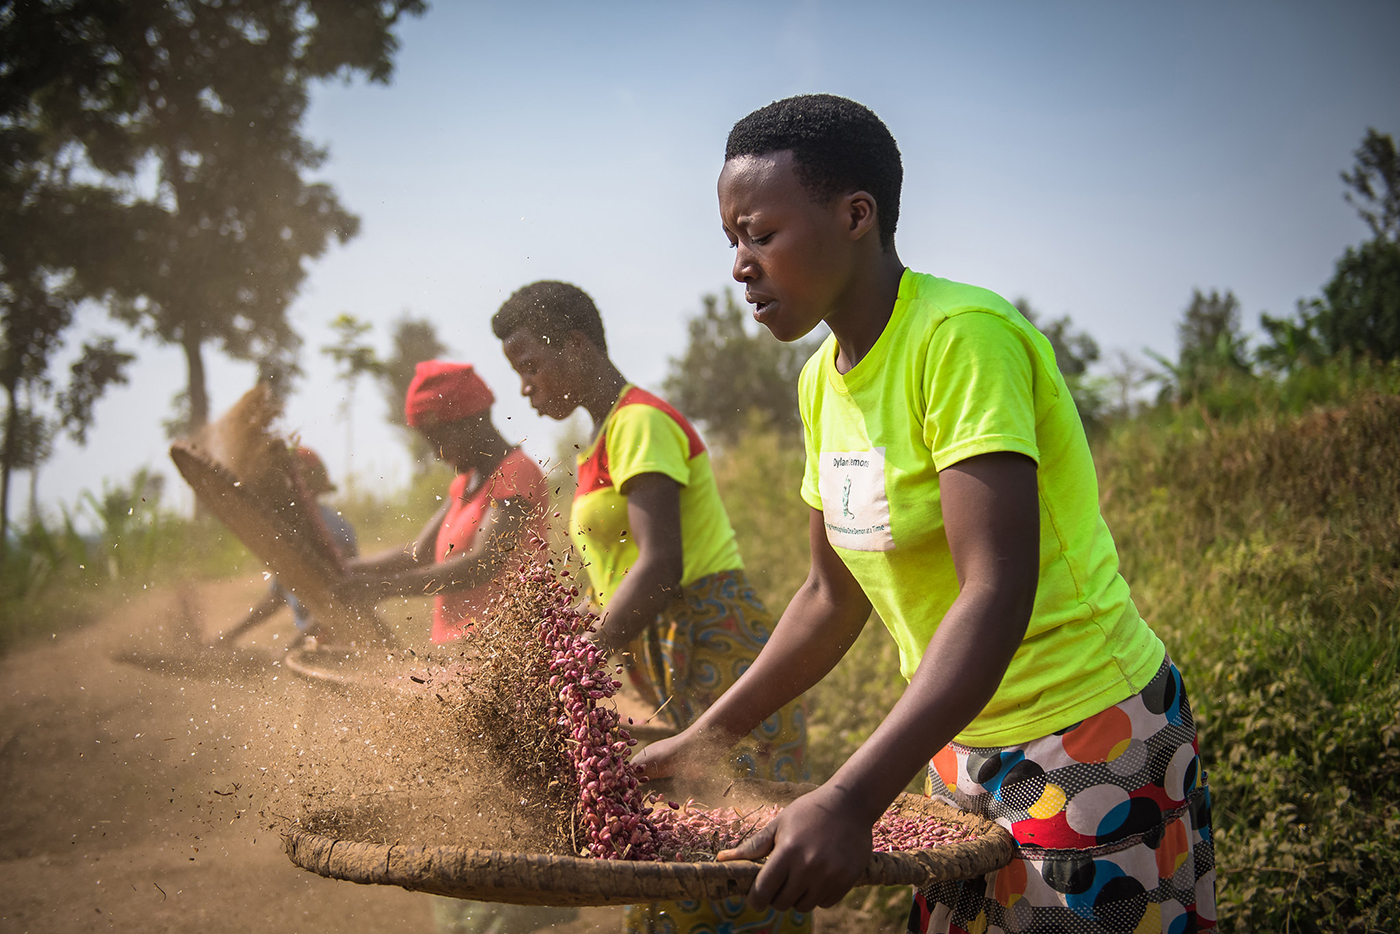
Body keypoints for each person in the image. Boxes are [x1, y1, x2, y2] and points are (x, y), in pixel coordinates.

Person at [635, 94, 1217, 934]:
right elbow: (828, 598)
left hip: (1090, 737)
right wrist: (708, 737)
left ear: (855, 215)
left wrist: (847, 797)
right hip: (955, 747)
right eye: (731, 241)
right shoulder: (819, 380)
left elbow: (996, 589)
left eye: (759, 233)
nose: (739, 265)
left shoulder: (960, 338)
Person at [492, 280, 812, 934]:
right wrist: (566, 633)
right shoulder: (602, 442)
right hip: (669, 648)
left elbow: (660, 564)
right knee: (679, 835)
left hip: (711, 643)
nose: (524, 387)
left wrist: (580, 662)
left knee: (725, 836)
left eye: (530, 366)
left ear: (576, 345)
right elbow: (617, 575)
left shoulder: (639, 421)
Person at [339, 360, 549, 643]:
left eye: (439, 439)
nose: (437, 455)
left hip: (503, 653)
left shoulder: (515, 473)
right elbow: (419, 553)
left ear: (473, 422)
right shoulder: (465, 485)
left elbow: (483, 564)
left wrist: (384, 587)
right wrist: (349, 568)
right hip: (463, 654)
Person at [220, 446, 357, 647]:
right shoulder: (289, 534)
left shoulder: (333, 529)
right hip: (311, 640)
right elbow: (277, 595)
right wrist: (231, 635)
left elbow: (342, 599)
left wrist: (290, 650)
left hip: (339, 643)